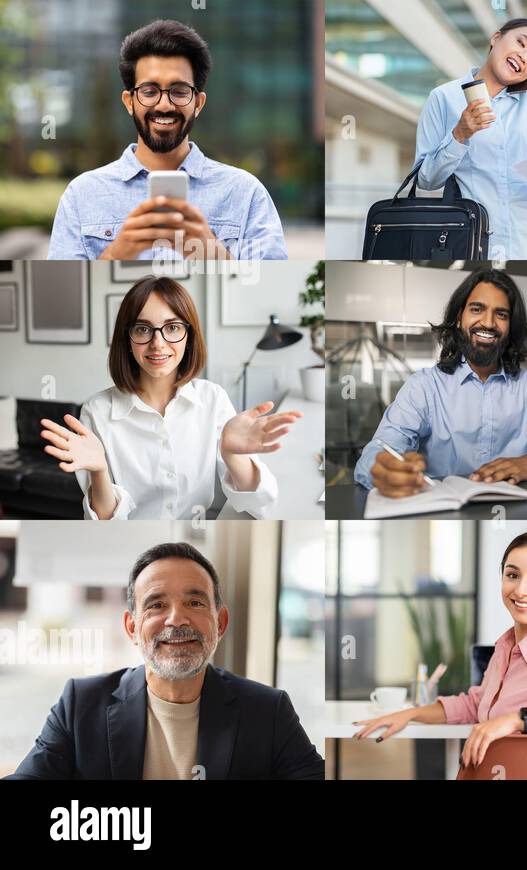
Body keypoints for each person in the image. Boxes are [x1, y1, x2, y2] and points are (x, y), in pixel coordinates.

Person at [7, 542, 324, 779]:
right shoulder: (81, 704)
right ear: (132, 627)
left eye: (195, 602)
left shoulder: (267, 711)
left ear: (221, 622)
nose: (177, 619)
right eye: (157, 605)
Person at [353, 530, 527, 778]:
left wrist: (517, 720)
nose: (520, 590)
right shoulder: (505, 650)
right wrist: (410, 714)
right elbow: (477, 705)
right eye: (512, 575)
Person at [39, 276, 300, 520]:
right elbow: (106, 523)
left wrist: (233, 455)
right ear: (126, 339)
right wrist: (100, 472)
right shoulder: (97, 411)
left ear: (189, 335)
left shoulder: (213, 399)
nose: (158, 343)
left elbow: (261, 507)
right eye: (143, 329)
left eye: (172, 327)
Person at [46, 20, 287, 261]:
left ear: (198, 103)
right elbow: (63, 294)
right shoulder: (81, 195)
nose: (164, 105)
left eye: (179, 91)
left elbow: (275, 290)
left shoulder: (245, 193)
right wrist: (115, 256)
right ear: (129, 102)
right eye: (149, 91)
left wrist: (215, 258)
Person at [355, 268, 527, 497]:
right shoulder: (424, 386)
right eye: (477, 309)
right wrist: (383, 469)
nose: (488, 323)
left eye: (501, 314)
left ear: (510, 327)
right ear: (459, 318)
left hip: (514, 507)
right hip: (443, 510)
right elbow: (378, 451)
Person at [413, 18, 527, 260]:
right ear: (496, 38)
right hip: (471, 241)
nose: (524, 57)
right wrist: (460, 135)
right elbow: (425, 181)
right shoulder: (444, 98)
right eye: (521, 43)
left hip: (525, 243)